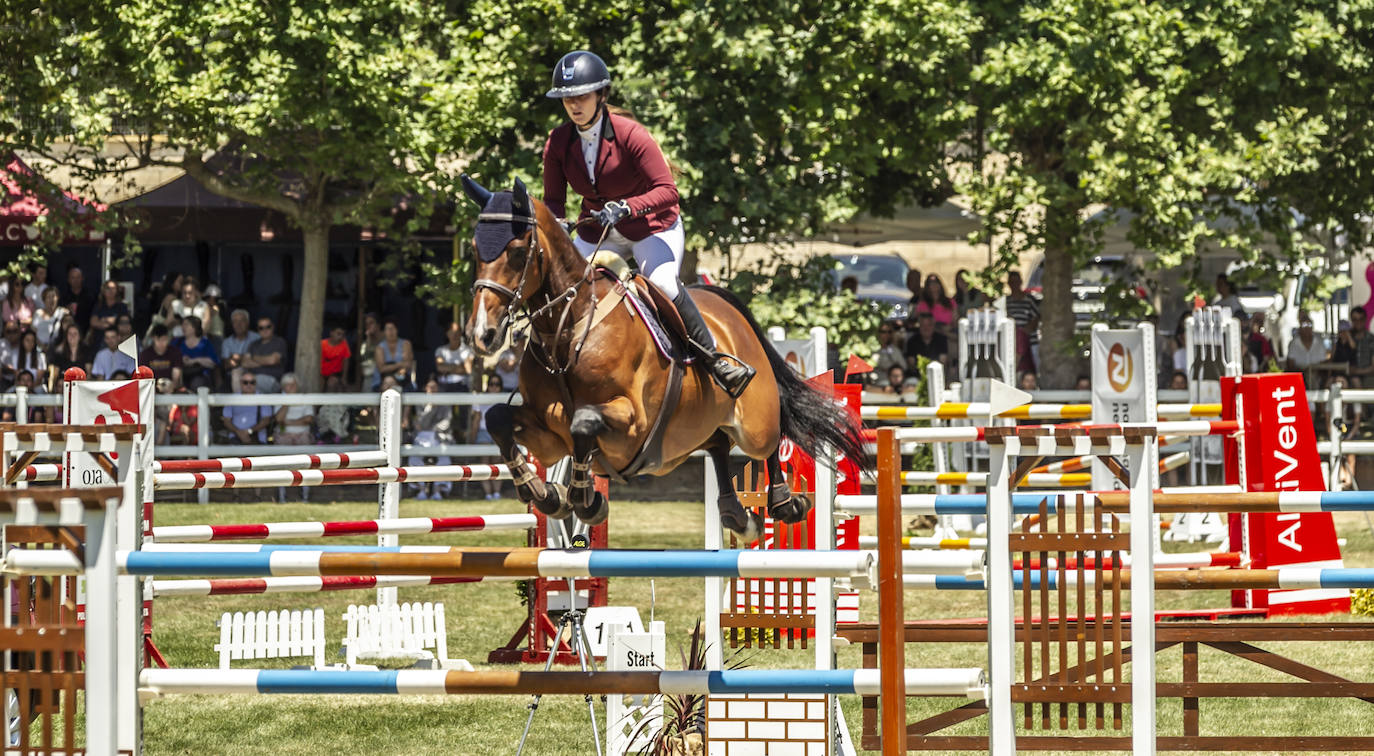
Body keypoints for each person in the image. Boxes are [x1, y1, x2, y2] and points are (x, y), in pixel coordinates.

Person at [541, 50, 753, 396]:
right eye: (567, 99)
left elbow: (668, 191)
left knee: (663, 283)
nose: (574, 105)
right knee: (560, 282)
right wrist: (558, 224)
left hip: (652, 227)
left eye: (581, 96)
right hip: (600, 233)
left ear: (602, 95)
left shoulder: (631, 135)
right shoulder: (559, 142)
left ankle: (716, 360)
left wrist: (625, 208)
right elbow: (553, 200)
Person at [406, 377, 455, 500]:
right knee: (414, 457)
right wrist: (430, 408)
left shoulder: (445, 403)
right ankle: (420, 490)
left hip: (439, 435)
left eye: (435, 387)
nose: (432, 390)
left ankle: (439, 490)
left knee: (444, 458)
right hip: (421, 436)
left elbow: (446, 423)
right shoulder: (420, 403)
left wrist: (433, 428)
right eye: (430, 387)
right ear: (425, 388)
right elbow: (420, 424)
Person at [471, 372, 505, 499]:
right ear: (487, 386)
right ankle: (488, 493)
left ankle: (496, 493)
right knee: (484, 463)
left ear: (501, 386)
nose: (494, 387)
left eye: (497, 384)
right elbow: (476, 420)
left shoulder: (505, 398)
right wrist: (472, 437)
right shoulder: (481, 398)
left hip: (499, 432)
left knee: (497, 463)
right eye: (491, 384)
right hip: (484, 432)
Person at [1003, 270, 1040, 371]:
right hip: (1011, 342)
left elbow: (1036, 317)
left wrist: (1024, 333)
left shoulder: (1029, 299)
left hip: (1030, 341)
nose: (1014, 285)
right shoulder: (1006, 301)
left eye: (1016, 281)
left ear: (1020, 282)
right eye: (1012, 282)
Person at [223, 372, 273, 443]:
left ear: (256, 383)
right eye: (245, 382)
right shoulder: (232, 398)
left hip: (257, 439)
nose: (249, 385)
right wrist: (239, 432)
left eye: (252, 382)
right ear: (240, 383)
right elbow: (226, 421)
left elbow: (266, 420)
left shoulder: (263, 398)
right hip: (236, 437)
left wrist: (249, 431)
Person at [243, 316, 288, 392]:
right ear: (258, 330)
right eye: (261, 328)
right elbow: (245, 363)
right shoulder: (253, 344)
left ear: (273, 327)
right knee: (239, 375)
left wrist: (253, 358)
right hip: (252, 378)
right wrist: (265, 361)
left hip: (272, 380)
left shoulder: (279, 342)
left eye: (268, 327)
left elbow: (272, 360)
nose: (265, 330)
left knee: (251, 382)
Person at [174, 316, 220, 391]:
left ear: (194, 327)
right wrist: (180, 359)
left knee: (197, 383)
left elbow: (213, 362)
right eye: (182, 324)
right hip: (182, 376)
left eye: (186, 324)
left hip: (201, 377)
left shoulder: (205, 343)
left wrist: (194, 361)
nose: (183, 327)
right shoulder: (177, 342)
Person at [221, 309, 260, 391]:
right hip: (232, 376)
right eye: (235, 321)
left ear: (248, 323)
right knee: (235, 373)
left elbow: (259, 359)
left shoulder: (257, 338)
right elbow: (227, 365)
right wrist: (246, 358)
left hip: (255, 373)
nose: (238, 324)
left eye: (242, 321)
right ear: (232, 324)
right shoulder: (227, 342)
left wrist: (236, 357)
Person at [273, 373, 314, 446]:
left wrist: (288, 422)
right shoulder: (279, 400)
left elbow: (309, 419)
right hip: (284, 435)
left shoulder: (304, 399)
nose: (291, 387)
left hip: (302, 434)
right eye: (288, 385)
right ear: (283, 387)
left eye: (293, 384)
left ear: (297, 386)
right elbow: (279, 419)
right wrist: (288, 401)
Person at [372, 319, 414, 390]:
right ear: (384, 332)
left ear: (397, 330)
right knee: (387, 383)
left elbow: (407, 365)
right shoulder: (380, 347)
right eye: (387, 329)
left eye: (392, 328)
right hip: (381, 382)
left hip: (402, 380)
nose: (390, 331)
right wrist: (399, 364)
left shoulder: (405, 344)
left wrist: (390, 368)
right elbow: (381, 369)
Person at [139, 324, 183, 388]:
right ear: (153, 338)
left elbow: (176, 378)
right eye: (158, 340)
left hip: (171, 389)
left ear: (168, 338)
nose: (161, 343)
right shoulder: (145, 355)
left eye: (164, 339)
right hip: (151, 389)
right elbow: (143, 378)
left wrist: (171, 387)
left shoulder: (175, 353)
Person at [88, 279, 129, 346]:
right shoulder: (98, 305)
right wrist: (110, 323)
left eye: (113, 288)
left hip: (117, 342)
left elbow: (124, 323)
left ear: (117, 291)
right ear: (103, 291)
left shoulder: (122, 306)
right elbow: (93, 322)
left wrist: (103, 319)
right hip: (99, 341)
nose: (110, 291)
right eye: (108, 288)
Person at [58, 264, 95, 336]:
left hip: (85, 335)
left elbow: (93, 317)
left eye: (78, 277)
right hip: (67, 336)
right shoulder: (63, 297)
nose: (76, 280)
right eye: (73, 277)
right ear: (68, 280)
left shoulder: (90, 297)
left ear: (82, 278)